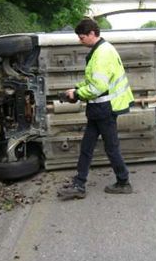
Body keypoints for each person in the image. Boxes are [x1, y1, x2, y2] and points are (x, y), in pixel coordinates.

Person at [57, 18, 135, 200]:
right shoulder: (101, 49)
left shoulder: (101, 54)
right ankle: (79, 183)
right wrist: (75, 88)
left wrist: (76, 95)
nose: (80, 41)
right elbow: (93, 81)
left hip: (104, 108)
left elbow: (97, 88)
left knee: (111, 148)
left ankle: (123, 182)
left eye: (82, 37)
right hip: (99, 108)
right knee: (88, 146)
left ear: (92, 34)